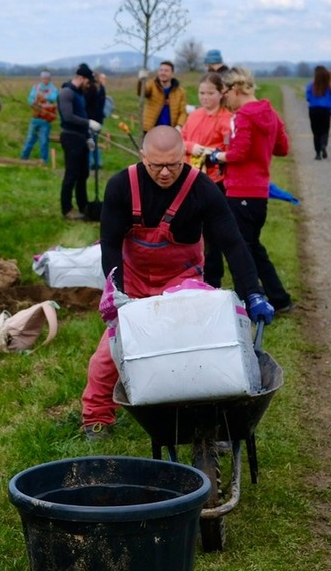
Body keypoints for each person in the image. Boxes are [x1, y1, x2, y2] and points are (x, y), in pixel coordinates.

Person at [81, 127, 276, 436]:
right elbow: (110, 243)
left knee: (199, 351)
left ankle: (211, 415)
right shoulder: (121, 186)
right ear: (143, 156)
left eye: (173, 164)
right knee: (110, 354)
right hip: (133, 285)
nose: (164, 172)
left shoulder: (202, 189)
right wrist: (113, 289)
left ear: (184, 156)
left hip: (183, 282)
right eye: (156, 165)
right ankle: (97, 417)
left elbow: (233, 243)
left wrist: (252, 293)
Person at [206, 67, 293, 312]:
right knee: (251, 245)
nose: (226, 100)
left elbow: (240, 152)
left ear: (235, 90)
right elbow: (282, 148)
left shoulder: (243, 116)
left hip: (241, 190)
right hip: (259, 192)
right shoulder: (270, 113)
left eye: (225, 93)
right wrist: (261, 149)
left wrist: (218, 156)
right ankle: (277, 296)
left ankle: (249, 297)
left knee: (240, 248)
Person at [180, 73, 234, 283]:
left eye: (210, 93)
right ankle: (188, 275)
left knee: (212, 235)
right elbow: (182, 140)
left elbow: (228, 150)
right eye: (202, 93)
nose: (205, 97)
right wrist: (192, 147)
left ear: (221, 93)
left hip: (214, 182)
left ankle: (213, 279)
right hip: (189, 180)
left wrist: (211, 152)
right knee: (189, 230)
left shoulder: (227, 119)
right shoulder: (194, 115)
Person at [58, 65, 98, 219]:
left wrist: (88, 137)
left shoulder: (79, 94)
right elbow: (68, 116)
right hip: (71, 137)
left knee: (84, 174)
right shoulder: (66, 93)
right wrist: (88, 123)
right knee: (71, 175)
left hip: (82, 137)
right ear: (81, 78)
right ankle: (67, 209)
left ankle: (84, 206)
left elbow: (81, 113)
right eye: (88, 81)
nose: (89, 85)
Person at [20, 70, 56, 163]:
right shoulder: (35, 88)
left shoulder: (53, 89)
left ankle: (44, 160)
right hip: (36, 117)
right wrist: (34, 102)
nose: (45, 80)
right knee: (30, 138)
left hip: (46, 118)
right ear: (41, 78)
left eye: (47, 78)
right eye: (44, 78)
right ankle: (24, 157)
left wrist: (45, 98)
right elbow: (30, 98)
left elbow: (54, 97)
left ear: (50, 79)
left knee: (44, 140)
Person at [141, 60, 187, 132]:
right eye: (161, 70)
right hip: (151, 130)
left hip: (170, 131)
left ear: (172, 74)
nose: (163, 73)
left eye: (166, 71)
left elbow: (183, 112)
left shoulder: (180, 92)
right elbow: (142, 92)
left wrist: (179, 125)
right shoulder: (151, 85)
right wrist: (141, 80)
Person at [304, 65, 331, 160]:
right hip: (325, 111)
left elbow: (308, 97)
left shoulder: (311, 85)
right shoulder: (328, 87)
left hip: (313, 110)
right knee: (324, 131)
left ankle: (318, 154)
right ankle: (323, 145)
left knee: (316, 132)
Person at [85, 70, 112, 174]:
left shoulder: (92, 89)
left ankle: (91, 162)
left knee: (90, 141)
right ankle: (97, 162)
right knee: (93, 141)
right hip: (98, 120)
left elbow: (91, 105)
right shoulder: (101, 89)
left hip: (92, 120)